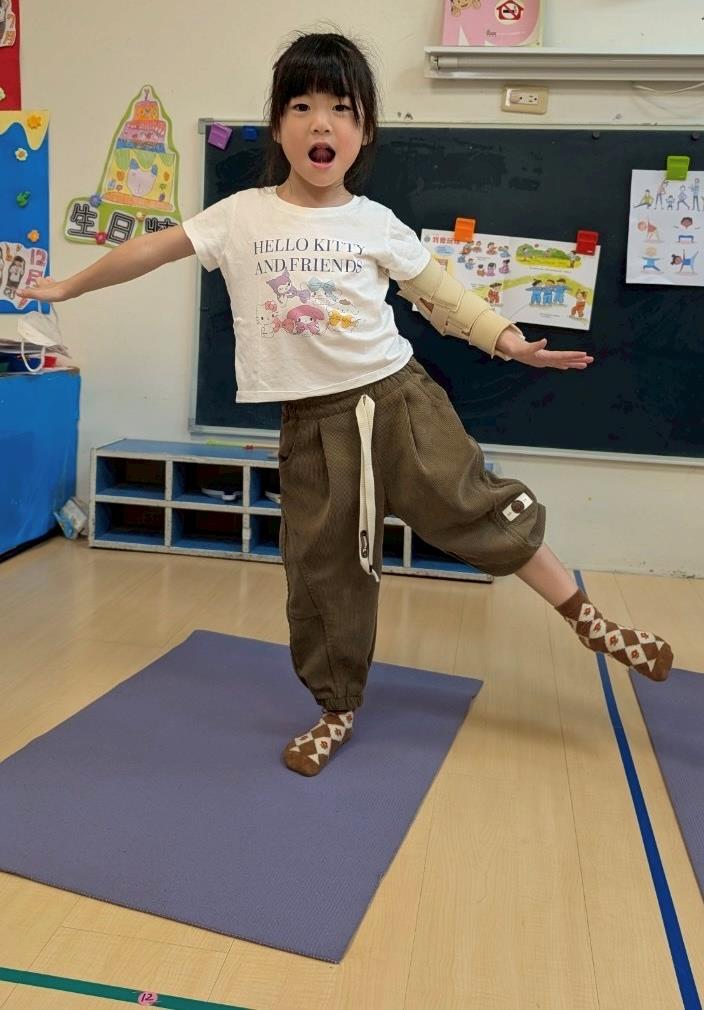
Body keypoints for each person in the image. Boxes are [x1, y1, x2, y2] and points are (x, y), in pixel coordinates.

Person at [20, 31, 673, 778]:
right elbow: (151, 248)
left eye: (342, 109)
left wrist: (512, 343)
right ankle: (336, 709)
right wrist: (69, 286)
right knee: (324, 572)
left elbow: (444, 297)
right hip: (314, 428)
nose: (321, 123)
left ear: (363, 134)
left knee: (476, 505)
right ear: (277, 127)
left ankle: (589, 622)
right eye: (301, 106)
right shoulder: (241, 215)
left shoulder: (374, 222)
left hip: (398, 401)